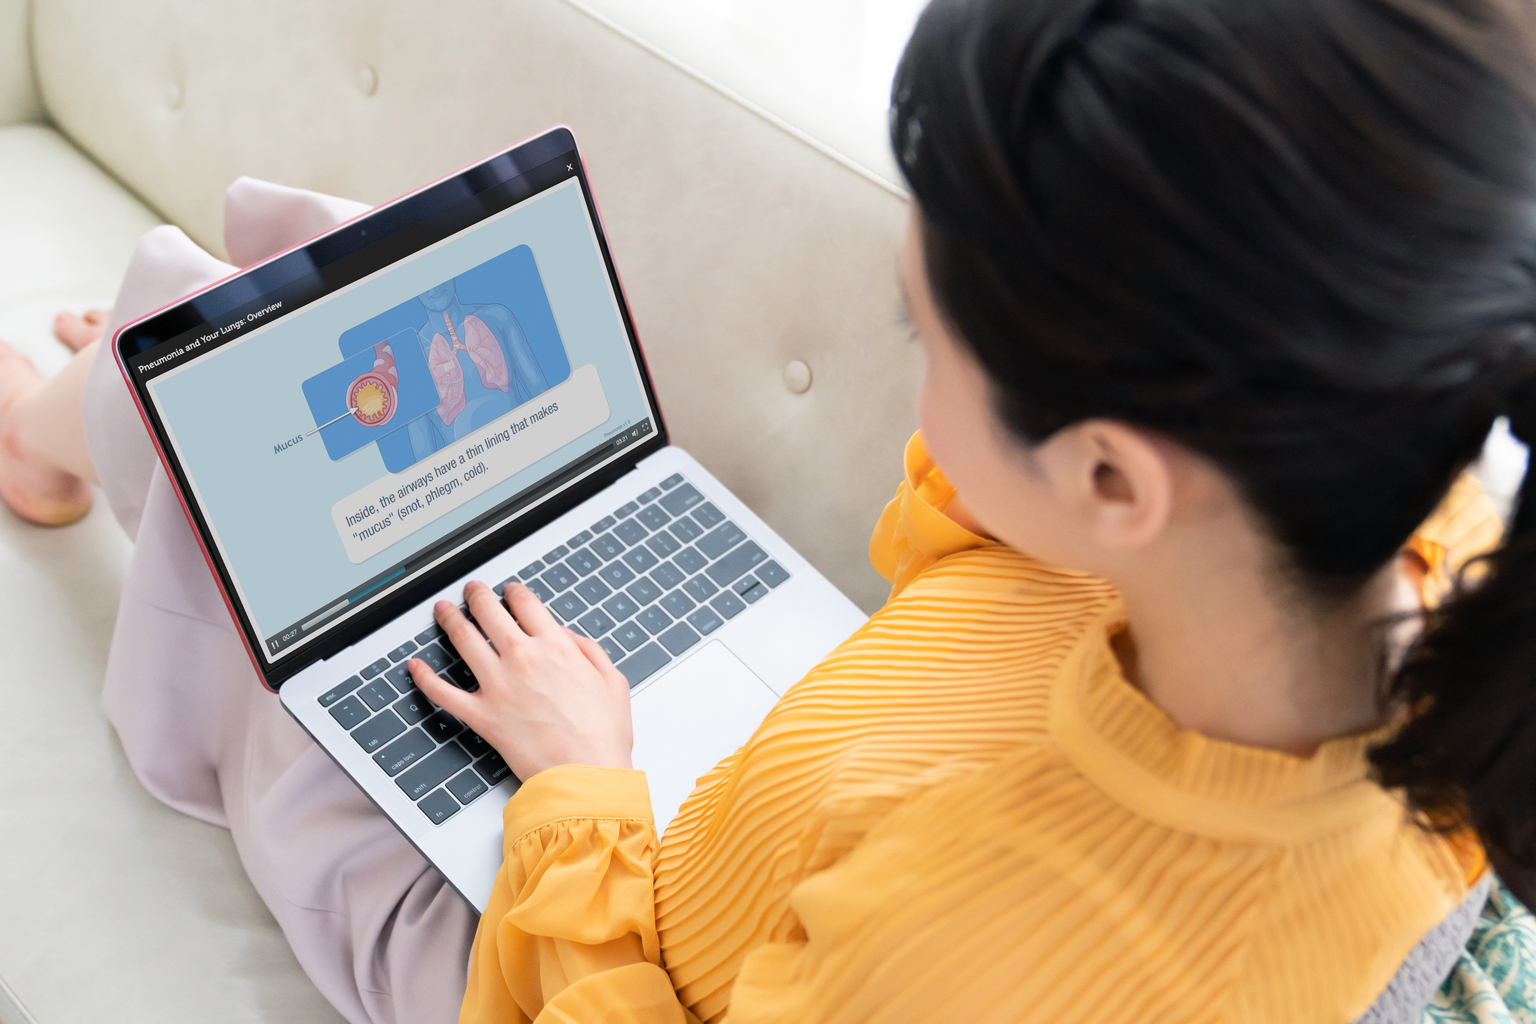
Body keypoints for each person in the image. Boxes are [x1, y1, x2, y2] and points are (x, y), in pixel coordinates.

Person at [6, 0, 1536, 1020]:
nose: (919, 380)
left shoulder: (981, 954)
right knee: (350, 318)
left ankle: (57, 417)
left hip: (554, 945)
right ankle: (138, 364)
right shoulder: (1412, 523)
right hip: (755, 785)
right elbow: (998, 576)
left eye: (924, 338)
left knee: (259, 527)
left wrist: (580, 789)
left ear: (1119, 481)